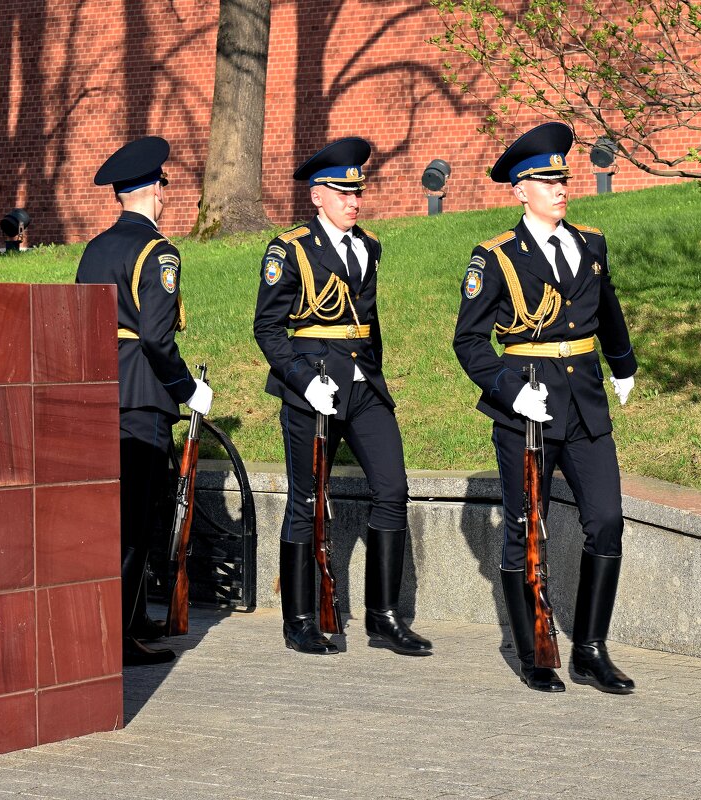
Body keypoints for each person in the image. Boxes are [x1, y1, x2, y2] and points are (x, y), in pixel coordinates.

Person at [452, 122, 638, 694]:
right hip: (528, 407)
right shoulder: (497, 257)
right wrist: (510, 388)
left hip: (584, 405)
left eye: (563, 177)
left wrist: (623, 362)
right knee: (523, 527)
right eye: (547, 180)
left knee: (606, 520)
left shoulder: (590, 242)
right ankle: (535, 651)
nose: (561, 187)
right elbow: (468, 342)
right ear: (519, 190)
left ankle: (590, 648)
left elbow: (606, 306)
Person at [253, 137, 431, 657]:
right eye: (342, 191)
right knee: (306, 502)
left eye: (358, 191)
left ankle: (384, 617)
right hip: (311, 385)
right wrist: (303, 380)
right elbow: (267, 329)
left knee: (392, 489)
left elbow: (367, 324)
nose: (354, 200)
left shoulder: (369, 247)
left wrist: (370, 373)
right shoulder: (289, 250)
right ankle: (301, 620)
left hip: (362, 385)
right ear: (317, 195)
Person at [76, 136, 213, 667]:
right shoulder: (159, 252)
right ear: (154, 189)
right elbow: (156, 338)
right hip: (142, 397)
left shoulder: (94, 250)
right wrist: (187, 389)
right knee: (135, 521)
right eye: (163, 186)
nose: (164, 195)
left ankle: (126, 618)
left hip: (97, 395)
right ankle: (119, 638)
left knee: (110, 517)